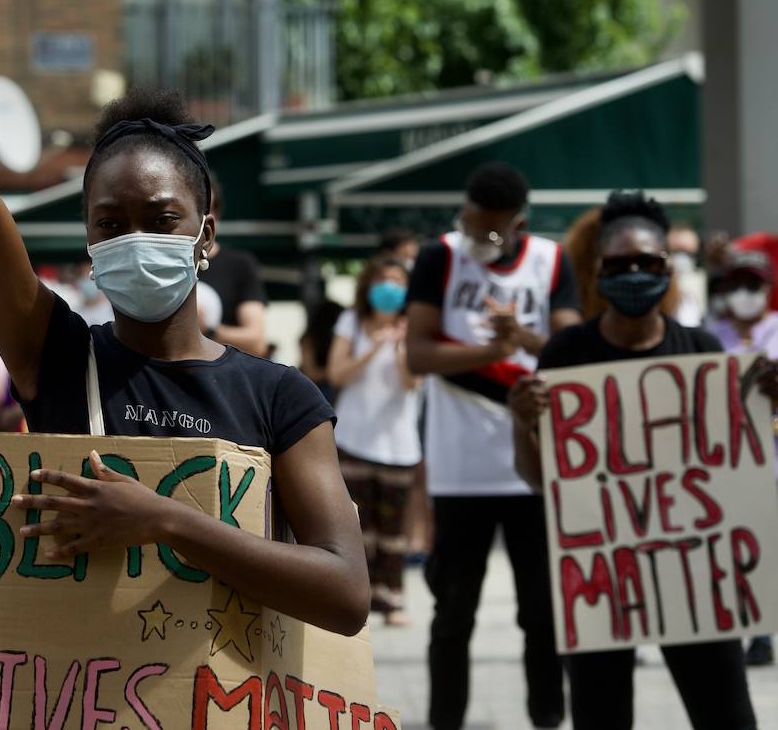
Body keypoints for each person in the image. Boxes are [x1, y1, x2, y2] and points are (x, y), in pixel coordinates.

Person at [0, 0, 369, 651]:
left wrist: (163, 520)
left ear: (206, 234)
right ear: (86, 241)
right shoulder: (56, 355)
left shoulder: (280, 398)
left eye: (160, 218)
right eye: (109, 222)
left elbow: (346, 591)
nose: (133, 237)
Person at [509, 191, 761, 728]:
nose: (634, 273)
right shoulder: (565, 355)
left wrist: (768, 409)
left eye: (648, 262)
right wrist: (520, 421)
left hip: (694, 579)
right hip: (600, 582)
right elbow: (540, 480)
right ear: (597, 269)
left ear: (668, 267)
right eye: (620, 264)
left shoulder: (702, 354)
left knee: (729, 717)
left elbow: (736, 472)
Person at [404, 162, 580, 730]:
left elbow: (567, 351)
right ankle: (444, 719)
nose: (476, 238)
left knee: (543, 611)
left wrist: (520, 338)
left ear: (517, 222)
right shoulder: (441, 257)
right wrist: (490, 352)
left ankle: (548, 716)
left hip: (533, 464)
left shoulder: (551, 260)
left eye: (489, 231)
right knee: (452, 611)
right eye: (469, 223)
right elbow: (418, 354)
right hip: (462, 467)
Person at [326, 257, 421, 626]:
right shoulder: (352, 321)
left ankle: (393, 599)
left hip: (398, 443)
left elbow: (413, 382)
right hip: (354, 437)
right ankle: (359, 600)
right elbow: (336, 373)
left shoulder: (414, 327)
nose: (389, 287)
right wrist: (372, 347)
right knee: (357, 526)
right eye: (382, 279)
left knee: (394, 529)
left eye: (397, 281)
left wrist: (397, 348)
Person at [705, 249, 778, 667]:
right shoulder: (709, 335)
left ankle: (764, 631)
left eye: (754, 286)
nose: (745, 295)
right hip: (725, 464)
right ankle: (735, 628)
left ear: (768, 290)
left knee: (767, 550)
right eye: (737, 286)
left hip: (772, 463)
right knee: (731, 551)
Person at [197, 176, 269, 356]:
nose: (201, 216)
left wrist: (207, 330)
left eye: (208, 208)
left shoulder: (239, 264)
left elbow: (256, 341)